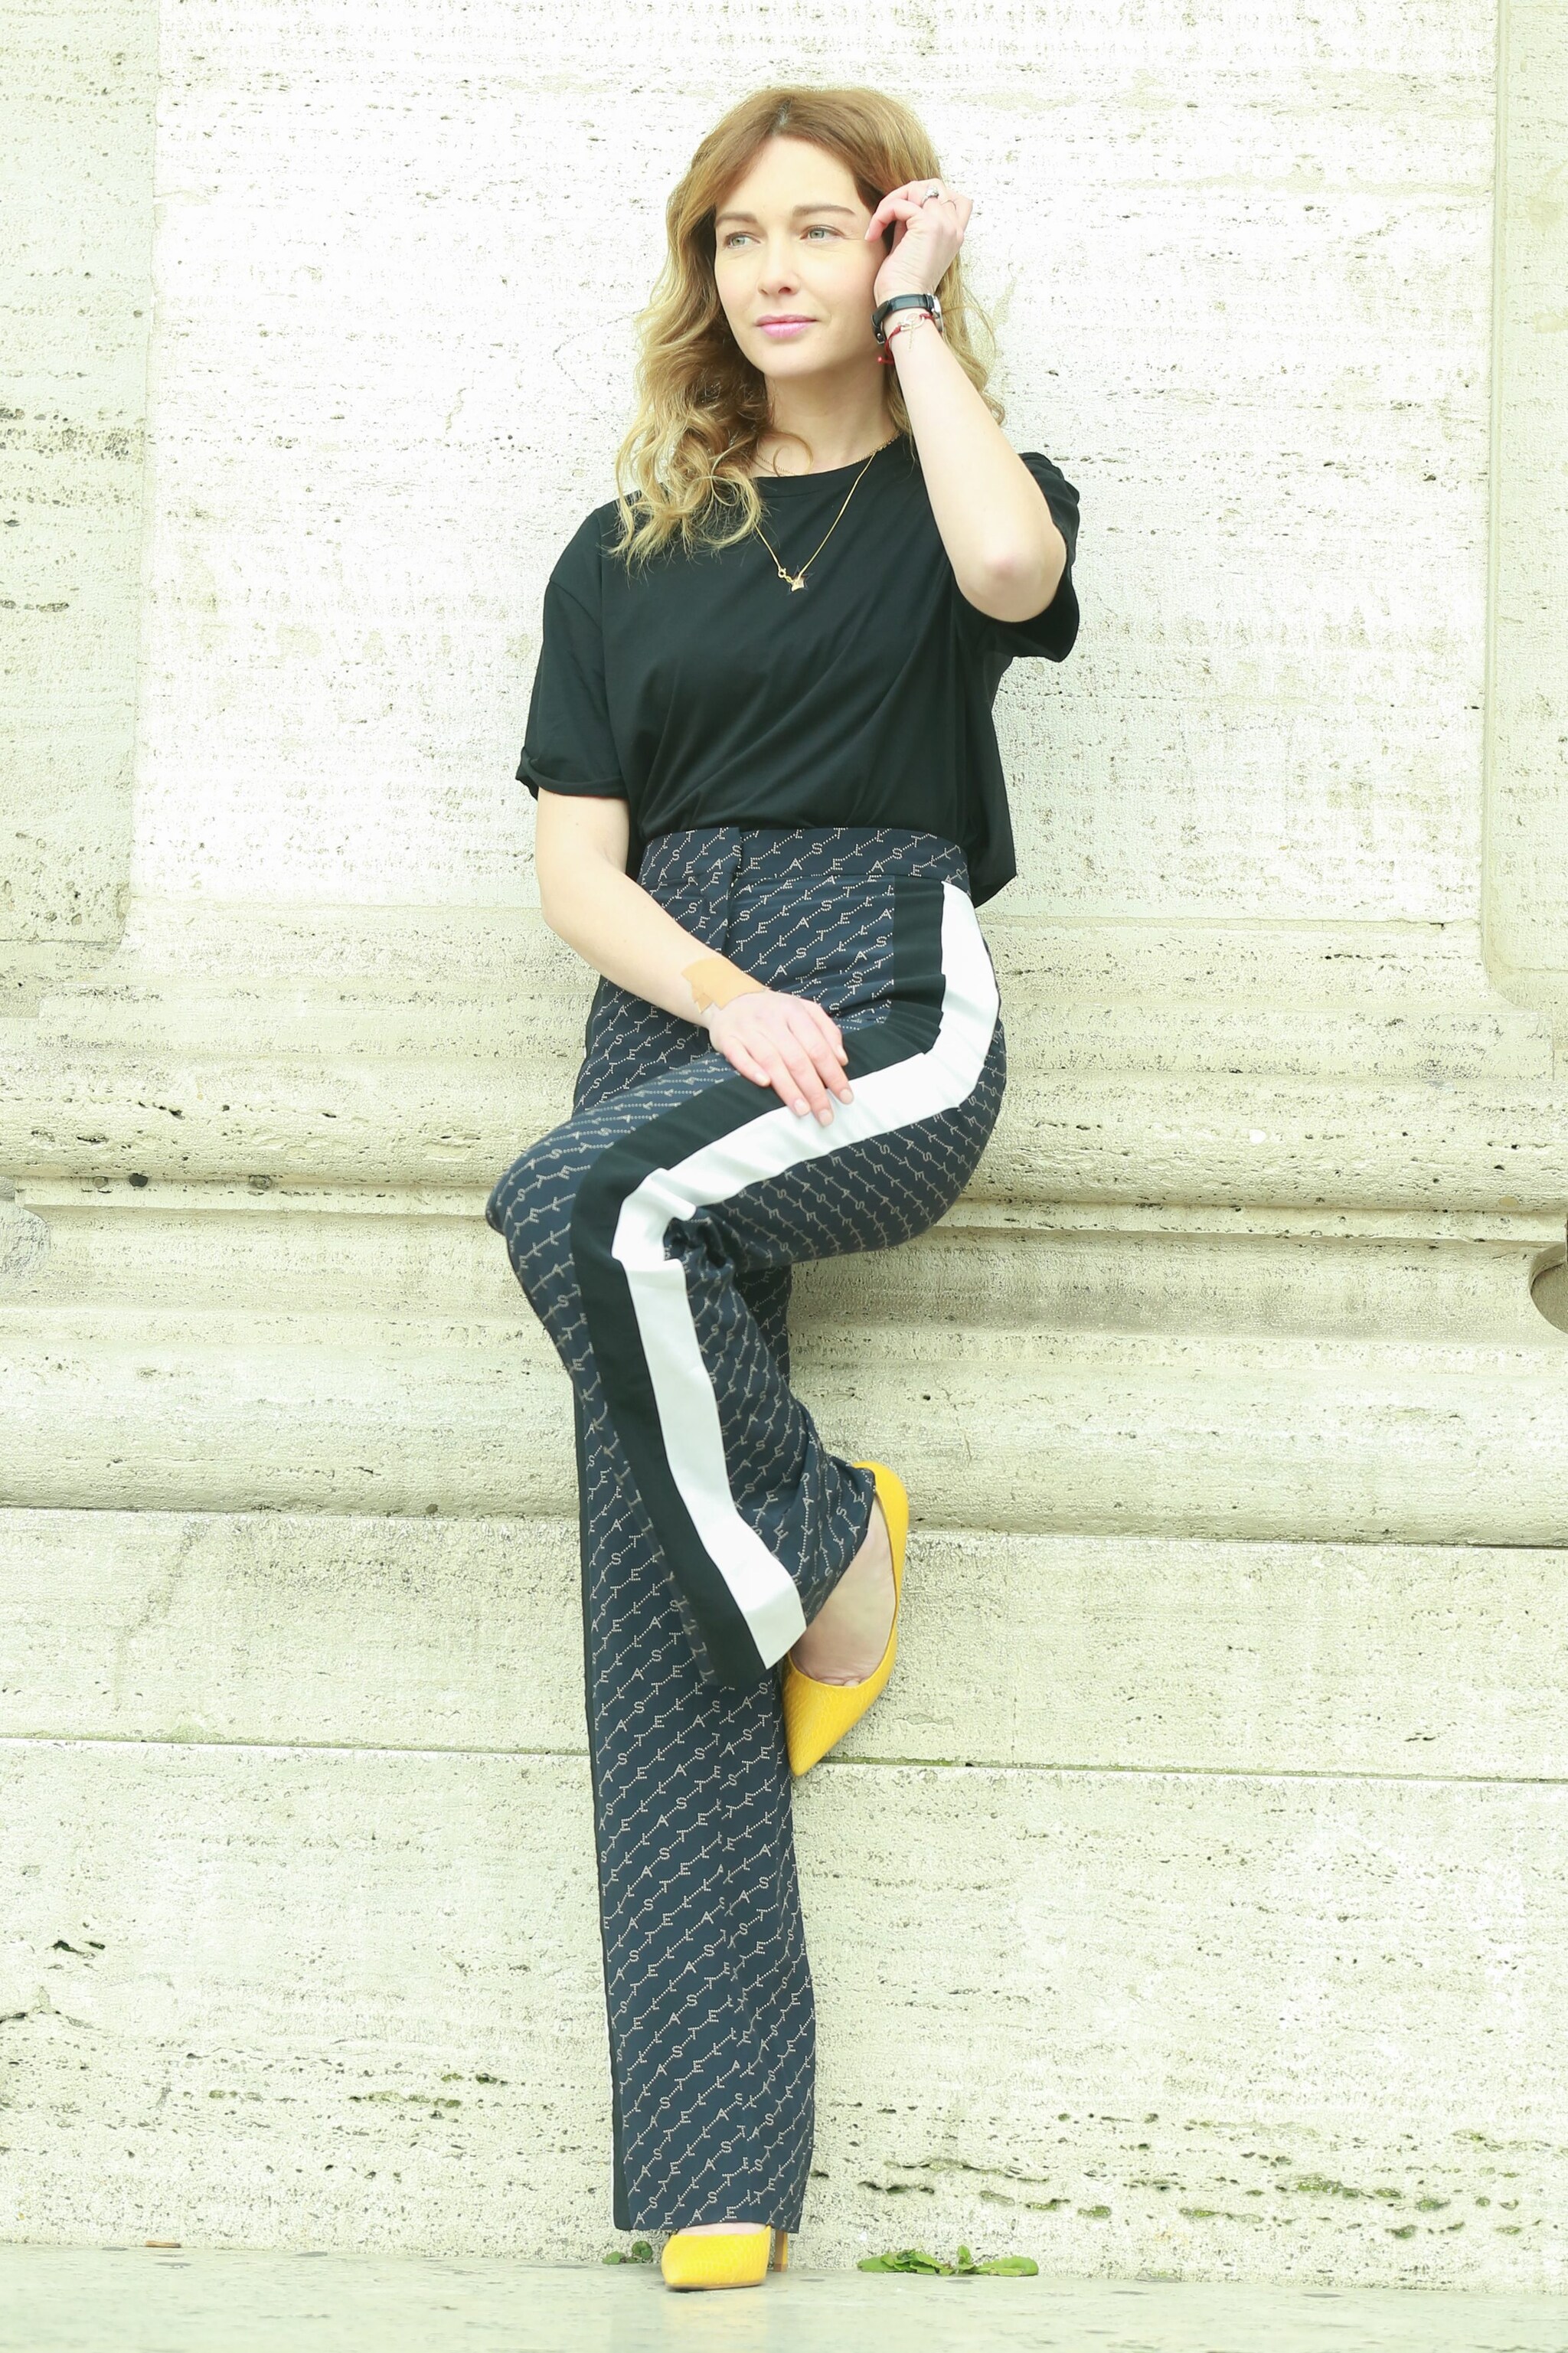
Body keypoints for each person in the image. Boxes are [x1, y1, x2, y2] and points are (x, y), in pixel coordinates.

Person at [485, 81, 1080, 2293]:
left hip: (886, 992)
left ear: (892, 248)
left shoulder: (962, 485)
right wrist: (720, 999)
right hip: (684, 1010)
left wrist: (923, 324)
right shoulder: (621, 546)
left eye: (821, 226)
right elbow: (578, 866)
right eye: (737, 236)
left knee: (576, 1209)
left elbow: (1016, 576)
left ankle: (831, 1545)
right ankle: (716, 2175)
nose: (774, 268)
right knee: (651, 1588)